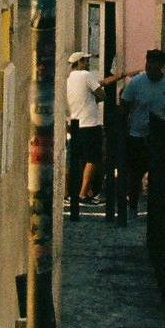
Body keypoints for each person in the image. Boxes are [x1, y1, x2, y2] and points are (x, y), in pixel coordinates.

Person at [114, 45, 165, 223]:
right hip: (137, 135)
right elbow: (124, 106)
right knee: (135, 174)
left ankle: (157, 208)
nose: (150, 68)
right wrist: (121, 131)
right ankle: (133, 206)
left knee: (159, 174)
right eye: (148, 64)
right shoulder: (136, 83)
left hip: (160, 136)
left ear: (161, 66)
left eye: (154, 65)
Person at [64, 50, 106, 216]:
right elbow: (100, 93)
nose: (87, 64)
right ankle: (83, 192)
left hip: (73, 123)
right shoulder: (85, 75)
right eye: (85, 61)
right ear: (78, 63)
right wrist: (95, 99)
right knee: (92, 158)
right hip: (89, 123)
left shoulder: (67, 79)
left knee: (72, 159)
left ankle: (67, 193)